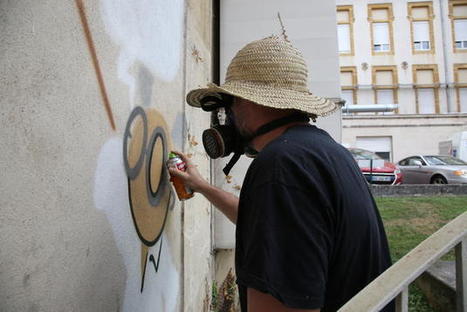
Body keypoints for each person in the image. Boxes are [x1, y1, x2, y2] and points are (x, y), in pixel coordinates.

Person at [169, 35, 394, 312]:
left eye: (229, 104)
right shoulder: (323, 151)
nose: (227, 116)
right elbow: (269, 222)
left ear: (247, 102)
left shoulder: (281, 166)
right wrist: (201, 186)